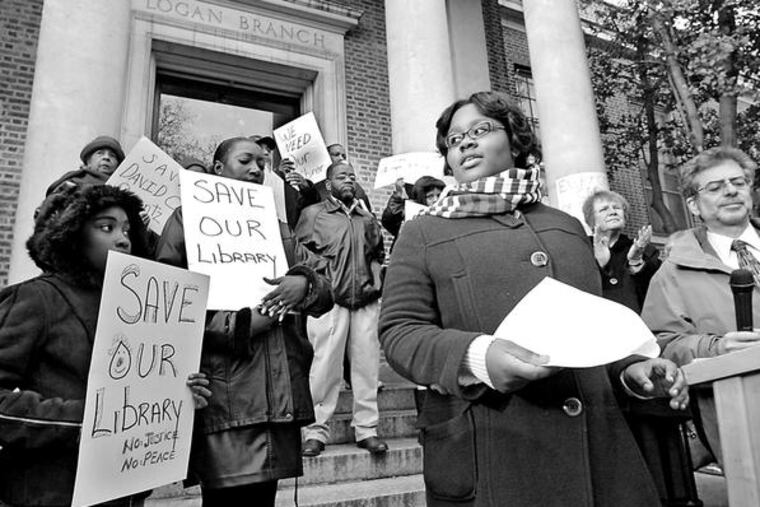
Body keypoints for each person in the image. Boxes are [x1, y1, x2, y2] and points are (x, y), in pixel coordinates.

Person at [378, 91, 689, 506]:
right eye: (454, 141)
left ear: (515, 139)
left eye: (480, 130)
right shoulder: (422, 232)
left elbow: (591, 331)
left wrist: (630, 370)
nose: (465, 143)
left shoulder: (566, 227)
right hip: (494, 451)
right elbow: (400, 333)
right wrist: (476, 357)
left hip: (603, 455)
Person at [0, 185, 210, 507]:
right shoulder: (36, 299)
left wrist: (179, 395)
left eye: (127, 229)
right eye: (106, 227)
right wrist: (81, 420)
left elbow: (138, 393)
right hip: (48, 490)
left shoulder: (143, 310)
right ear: (72, 234)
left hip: (122, 490)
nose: (123, 238)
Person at [155, 136, 333, 507]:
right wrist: (238, 326)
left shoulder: (276, 225)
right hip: (224, 395)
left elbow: (328, 287)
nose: (256, 169)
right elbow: (167, 302)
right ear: (219, 168)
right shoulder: (187, 217)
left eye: (262, 164)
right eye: (245, 160)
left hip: (277, 396)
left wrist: (304, 282)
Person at [642, 146, 760, 465]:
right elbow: (661, 346)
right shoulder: (673, 273)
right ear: (693, 205)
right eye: (715, 187)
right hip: (743, 421)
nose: (731, 191)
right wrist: (716, 348)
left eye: (738, 181)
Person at [295, 161, 388, 458]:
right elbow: (298, 251)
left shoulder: (368, 219)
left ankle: (367, 429)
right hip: (328, 300)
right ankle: (315, 431)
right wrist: (325, 272)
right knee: (324, 366)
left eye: (352, 176)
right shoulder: (313, 214)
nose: (348, 180)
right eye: (341, 176)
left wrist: (376, 282)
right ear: (329, 183)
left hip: (365, 300)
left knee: (366, 365)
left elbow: (377, 255)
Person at [581, 190, 660, 313]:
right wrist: (599, 265)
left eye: (617, 208)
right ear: (592, 219)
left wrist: (636, 261)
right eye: (604, 209)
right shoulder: (580, 249)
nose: (612, 212)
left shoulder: (645, 251)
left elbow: (656, 291)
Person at [251, 134, 320, 229]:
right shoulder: (239, 181)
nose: (266, 153)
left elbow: (308, 208)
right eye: (258, 148)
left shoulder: (285, 187)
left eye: (268, 150)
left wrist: (306, 188)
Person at [46, 135, 125, 196]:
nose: (106, 157)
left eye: (112, 155)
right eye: (100, 153)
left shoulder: (123, 190)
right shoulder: (72, 184)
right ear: (88, 161)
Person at [381, 176, 445, 248]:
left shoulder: (446, 214)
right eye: (430, 196)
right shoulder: (410, 212)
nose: (435, 200)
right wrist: (398, 194)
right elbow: (389, 219)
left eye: (439, 196)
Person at [313, 143, 373, 212]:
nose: (341, 158)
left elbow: (367, 212)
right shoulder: (315, 188)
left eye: (344, 156)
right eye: (336, 155)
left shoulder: (356, 187)